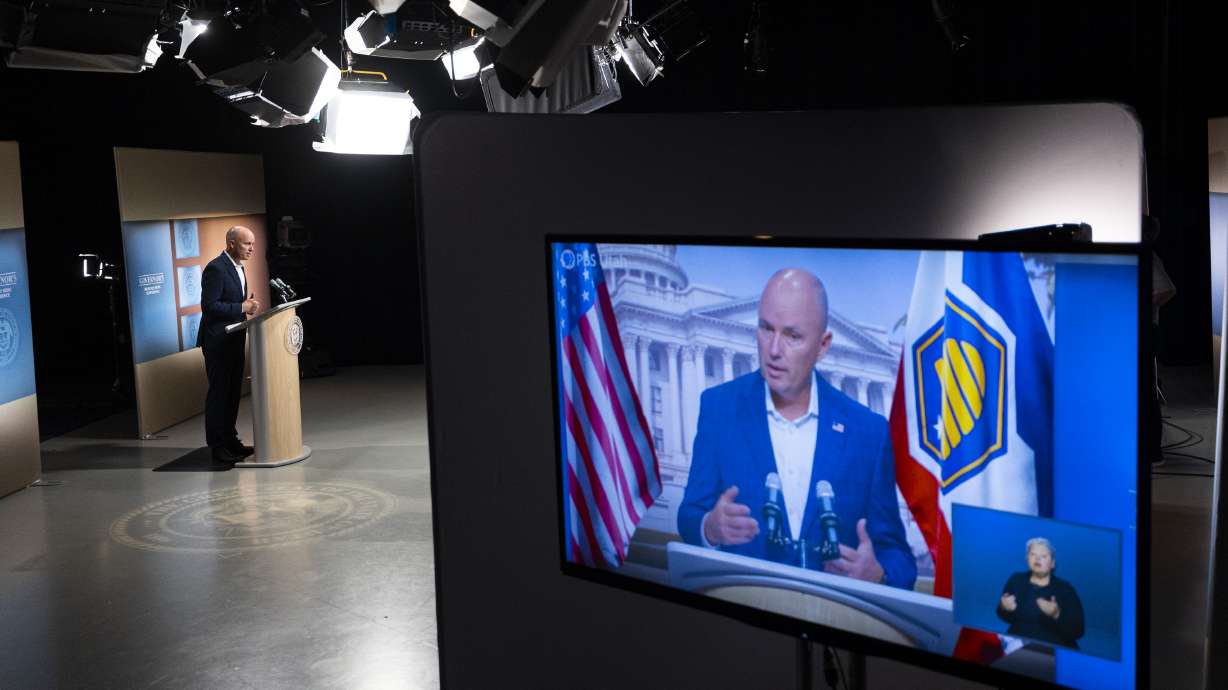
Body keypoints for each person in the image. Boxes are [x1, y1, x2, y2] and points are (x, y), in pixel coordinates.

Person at [677, 268, 916, 590]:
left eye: (793, 336)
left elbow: (897, 555)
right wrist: (710, 528)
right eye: (765, 329)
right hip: (741, 616)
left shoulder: (868, 432)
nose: (774, 350)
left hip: (831, 622)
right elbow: (689, 514)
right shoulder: (719, 409)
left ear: (823, 345)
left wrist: (879, 573)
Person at [198, 226, 260, 463]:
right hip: (218, 342)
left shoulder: (238, 267)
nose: (252, 249)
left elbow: (236, 301)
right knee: (219, 394)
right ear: (231, 243)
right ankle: (217, 446)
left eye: (253, 244)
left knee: (233, 393)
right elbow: (210, 307)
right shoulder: (216, 268)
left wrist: (248, 305)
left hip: (234, 339)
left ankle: (230, 439)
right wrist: (242, 307)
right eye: (247, 244)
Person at [996, 537, 1085, 649]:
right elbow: (1004, 616)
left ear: (1052, 563)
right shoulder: (1016, 579)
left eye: (1043, 556)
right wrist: (1003, 607)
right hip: (1017, 648)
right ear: (1027, 558)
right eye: (1033, 554)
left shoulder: (1066, 589)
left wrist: (1056, 614)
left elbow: (1078, 631)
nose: (1037, 558)